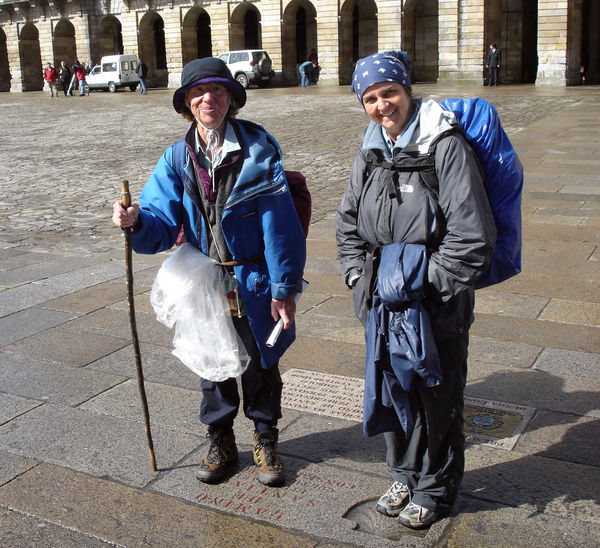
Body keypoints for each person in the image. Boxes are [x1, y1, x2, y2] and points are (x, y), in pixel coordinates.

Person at [112, 57, 306, 487]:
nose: (208, 99)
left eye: (217, 91)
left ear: (231, 98)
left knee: (260, 361)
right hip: (204, 277)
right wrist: (136, 221)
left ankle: (265, 437)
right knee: (210, 360)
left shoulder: (258, 147)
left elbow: (280, 222)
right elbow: (161, 220)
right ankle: (219, 439)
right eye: (198, 93)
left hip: (252, 278)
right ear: (186, 102)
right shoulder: (177, 157)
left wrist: (284, 285)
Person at [336, 51, 496, 529]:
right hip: (382, 304)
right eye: (371, 98)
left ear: (407, 91)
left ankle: (436, 488)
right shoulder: (370, 151)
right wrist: (357, 279)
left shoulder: (444, 147)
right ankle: (404, 473)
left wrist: (424, 287)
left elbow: (472, 237)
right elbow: (347, 224)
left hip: (434, 305)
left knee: (437, 397)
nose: (383, 105)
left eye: (390, 93)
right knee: (393, 391)